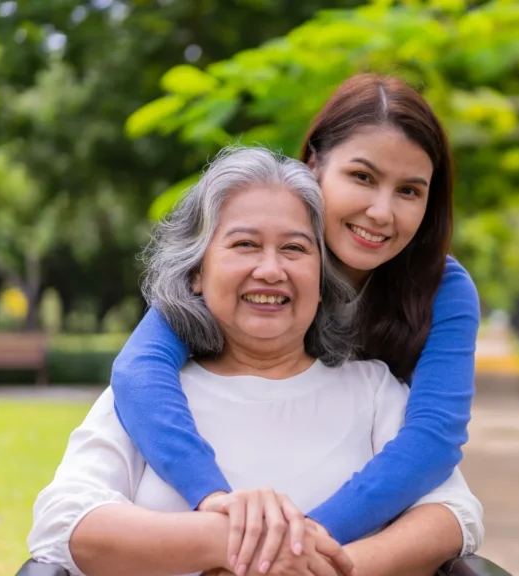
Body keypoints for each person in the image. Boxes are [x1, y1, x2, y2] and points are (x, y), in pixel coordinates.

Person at [28, 147, 483, 576]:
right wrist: (229, 539)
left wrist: (318, 568)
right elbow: (62, 522)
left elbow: (453, 515)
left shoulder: (372, 389)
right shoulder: (153, 396)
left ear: (322, 280)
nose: (270, 269)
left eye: (294, 249)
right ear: (196, 274)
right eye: (245, 244)